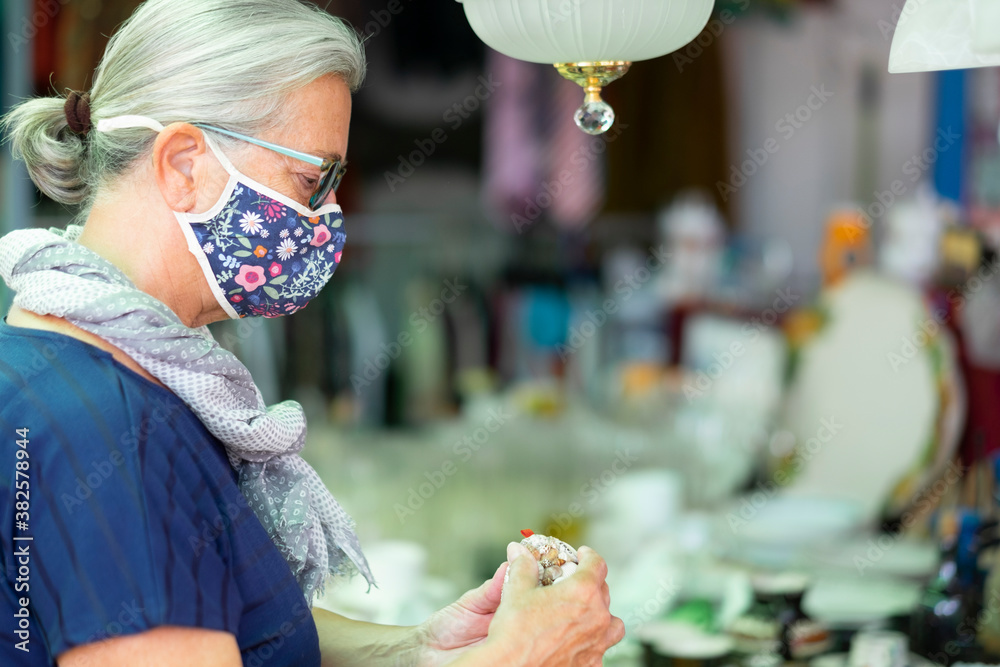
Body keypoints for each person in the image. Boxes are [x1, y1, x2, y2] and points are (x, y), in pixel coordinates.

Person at [0, 0, 625, 664]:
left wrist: (419, 648)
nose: (327, 217)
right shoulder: (116, 429)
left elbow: (233, 626)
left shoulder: (85, 359)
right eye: (311, 180)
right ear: (183, 164)